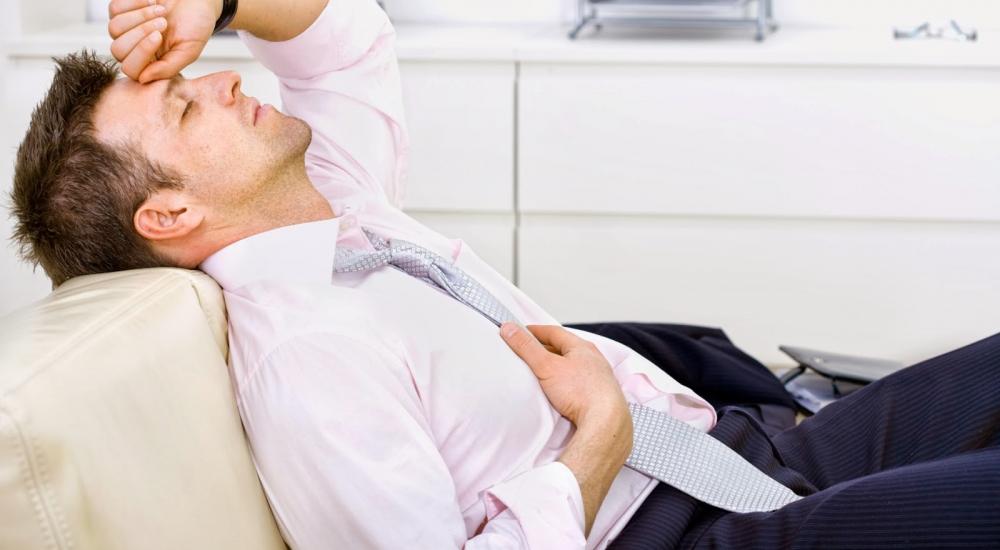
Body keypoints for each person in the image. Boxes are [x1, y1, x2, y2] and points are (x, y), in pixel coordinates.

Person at [8, 0, 998, 548]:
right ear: (169, 214)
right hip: (668, 532)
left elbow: (342, 42)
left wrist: (220, 3)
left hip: (737, 450)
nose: (226, 78)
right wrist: (596, 442)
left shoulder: (334, 206)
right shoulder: (306, 360)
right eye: (187, 108)